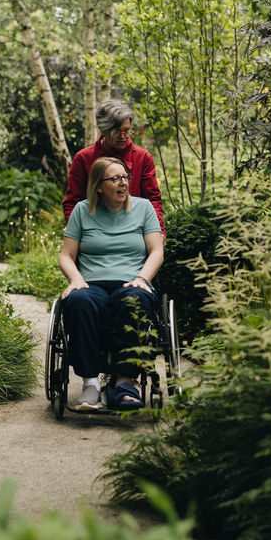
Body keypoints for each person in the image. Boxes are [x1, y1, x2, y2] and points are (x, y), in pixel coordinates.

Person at [59, 156, 163, 411]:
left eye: (125, 177)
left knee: (136, 300)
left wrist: (141, 279)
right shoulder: (82, 211)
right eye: (115, 178)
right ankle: (91, 384)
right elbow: (66, 255)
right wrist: (76, 279)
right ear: (98, 186)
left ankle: (123, 383)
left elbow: (157, 251)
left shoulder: (144, 207)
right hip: (91, 284)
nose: (123, 183)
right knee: (78, 300)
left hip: (131, 282)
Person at [62, 99, 164, 234]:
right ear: (103, 130)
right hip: (94, 232)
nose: (123, 137)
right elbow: (72, 203)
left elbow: (153, 200)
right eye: (117, 132)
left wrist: (158, 231)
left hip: (134, 231)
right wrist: (76, 235)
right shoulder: (83, 158)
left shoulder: (143, 158)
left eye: (127, 131)